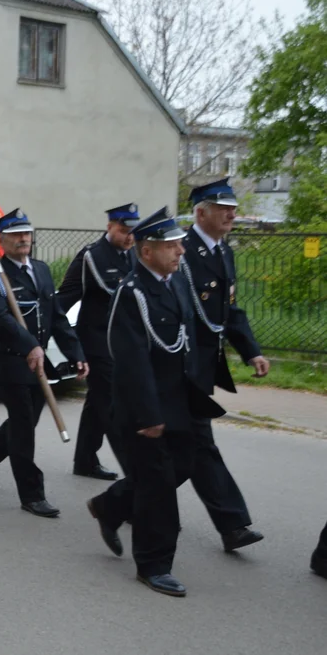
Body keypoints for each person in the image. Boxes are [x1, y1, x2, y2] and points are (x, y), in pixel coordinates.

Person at [86, 206, 224, 597]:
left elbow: (189, 342)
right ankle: (153, 564)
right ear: (147, 251)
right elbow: (130, 360)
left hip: (179, 402)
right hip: (143, 409)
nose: (181, 252)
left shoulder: (175, 283)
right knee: (158, 487)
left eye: (181, 245)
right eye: (172, 246)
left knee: (183, 465)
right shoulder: (132, 294)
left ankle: (111, 506)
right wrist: (149, 414)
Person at [0, 209, 87, 519]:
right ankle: (32, 494)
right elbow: (1, 318)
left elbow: (56, 317)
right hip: (10, 362)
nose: (24, 239)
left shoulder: (43, 270)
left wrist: (76, 354)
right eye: (16, 234)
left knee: (25, 423)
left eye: (27, 233)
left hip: (39, 362)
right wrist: (29, 345)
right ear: (2, 240)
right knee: (23, 429)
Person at [181, 178, 269, 552]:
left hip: (205, 364)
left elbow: (229, 310)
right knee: (199, 444)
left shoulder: (223, 252)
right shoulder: (180, 252)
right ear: (201, 213)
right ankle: (232, 524)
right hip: (181, 365)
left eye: (232, 208)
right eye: (223, 209)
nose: (232, 214)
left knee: (180, 450)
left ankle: (119, 505)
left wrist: (251, 351)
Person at [56, 203, 139, 480]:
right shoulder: (92, 256)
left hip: (121, 344)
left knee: (96, 403)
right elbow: (65, 298)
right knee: (111, 404)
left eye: (132, 232)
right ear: (110, 227)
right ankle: (135, 470)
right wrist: (59, 340)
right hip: (95, 342)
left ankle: (85, 460)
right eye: (124, 231)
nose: (129, 237)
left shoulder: (134, 256)